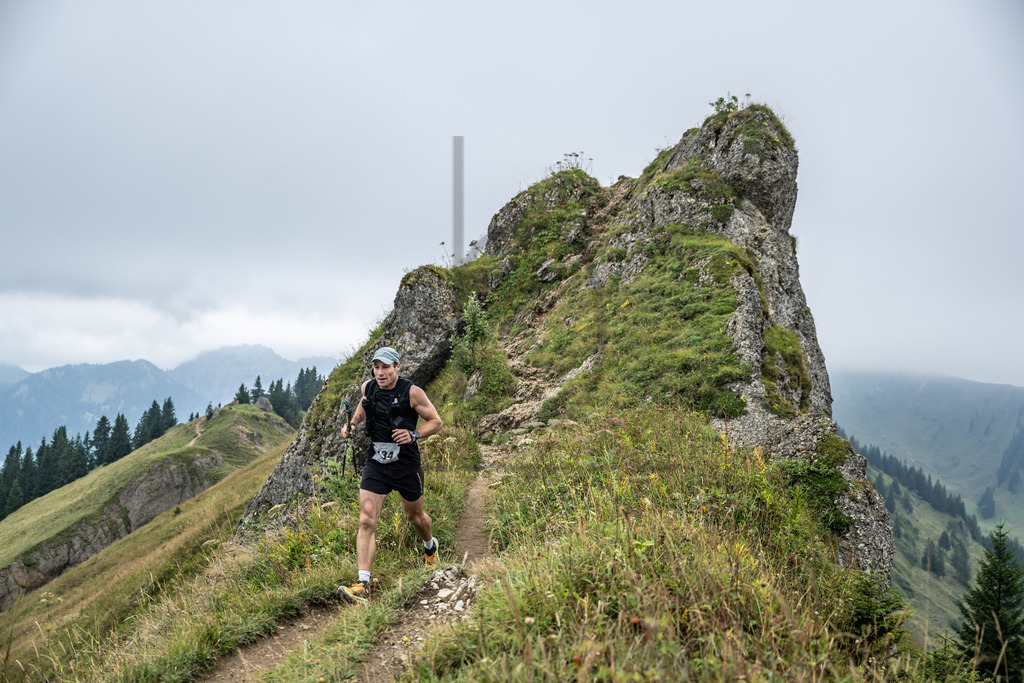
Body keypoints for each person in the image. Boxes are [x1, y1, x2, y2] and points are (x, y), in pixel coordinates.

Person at [337, 346, 443, 604]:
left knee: (415, 517)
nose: (380, 372)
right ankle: (363, 584)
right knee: (366, 520)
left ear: (398, 367)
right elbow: (363, 407)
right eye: (376, 367)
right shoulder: (368, 388)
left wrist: (413, 434)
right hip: (377, 465)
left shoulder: (412, 392)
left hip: (406, 464)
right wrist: (352, 425)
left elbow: (436, 421)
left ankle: (430, 548)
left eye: (386, 367)